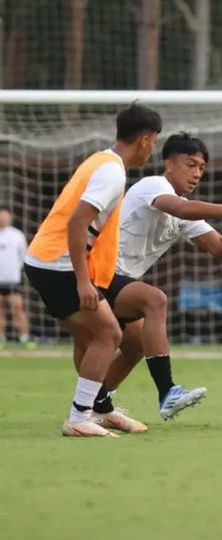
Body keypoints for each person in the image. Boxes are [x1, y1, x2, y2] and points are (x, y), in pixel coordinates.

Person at [93, 132, 222, 423]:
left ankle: (94, 404)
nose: (197, 173)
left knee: (136, 346)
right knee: (155, 300)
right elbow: (180, 208)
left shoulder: (184, 209)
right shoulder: (153, 185)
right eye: (190, 164)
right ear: (168, 163)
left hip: (118, 281)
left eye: (202, 168)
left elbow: (219, 248)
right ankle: (167, 393)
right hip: (98, 275)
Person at [24, 103, 162, 437]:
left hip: (46, 260)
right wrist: (84, 282)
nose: (153, 148)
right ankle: (79, 417)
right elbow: (77, 223)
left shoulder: (100, 160)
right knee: (110, 334)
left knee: (92, 335)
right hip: (58, 265)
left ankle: (99, 408)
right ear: (145, 139)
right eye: (154, 141)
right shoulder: (112, 172)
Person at [0, 206, 35, 349]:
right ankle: (1, 339)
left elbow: (24, 257)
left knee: (18, 308)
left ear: (10, 217)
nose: (3, 218)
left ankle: (24, 338)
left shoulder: (17, 235)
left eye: (5, 215)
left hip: (13, 280)